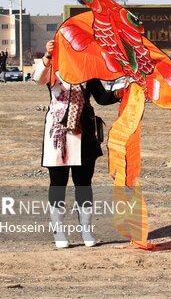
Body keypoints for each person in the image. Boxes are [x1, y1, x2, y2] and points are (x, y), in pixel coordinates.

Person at [34, 40, 122, 248]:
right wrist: (47, 55)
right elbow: (38, 78)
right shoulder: (54, 68)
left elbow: (102, 97)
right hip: (58, 136)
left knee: (84, 184)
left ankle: (87, 231)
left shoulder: (87, 70)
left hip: (84, 135)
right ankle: (59, 232)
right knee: (58, 184)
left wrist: (120, 93)